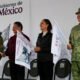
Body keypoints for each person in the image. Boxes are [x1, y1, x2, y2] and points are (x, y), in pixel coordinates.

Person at [67, 8, 80, 80]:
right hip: (75, 59)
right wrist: (69, 46)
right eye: (77, 15)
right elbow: (70, 43)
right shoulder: (74, 29)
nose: (78, 16)